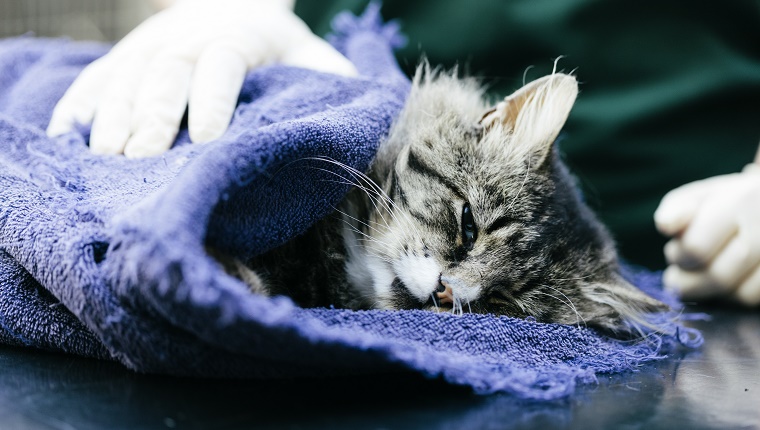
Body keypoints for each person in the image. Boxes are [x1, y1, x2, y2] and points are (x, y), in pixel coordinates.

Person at [46, 0, 760, 306]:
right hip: (335, 74)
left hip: (691, 267)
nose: (457, 293)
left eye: (488, 294)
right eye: (469, 235)